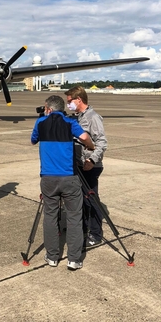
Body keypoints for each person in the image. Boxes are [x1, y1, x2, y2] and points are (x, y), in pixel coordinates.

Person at [31, 95, 95, 270]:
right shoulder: (69, 123)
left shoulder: (40, 123)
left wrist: (42, 122)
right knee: (75, 216)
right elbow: (83, 137)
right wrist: (91, 147)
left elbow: (33, 140)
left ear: (49, 109)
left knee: (50, 216)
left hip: (48, 178)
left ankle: (52, 256)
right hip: (69, 177)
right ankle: (74, 259)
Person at [64, 86, 107, 246]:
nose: (68, 105)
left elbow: (102, 142)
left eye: (70, 102)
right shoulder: (78, 117)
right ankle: (81, 227)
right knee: (80, 199)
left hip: (90, 166)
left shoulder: (92, 117)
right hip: (78, 165)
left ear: (79, 100)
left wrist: (92, 160)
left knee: (91, 199)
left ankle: (96, 233)